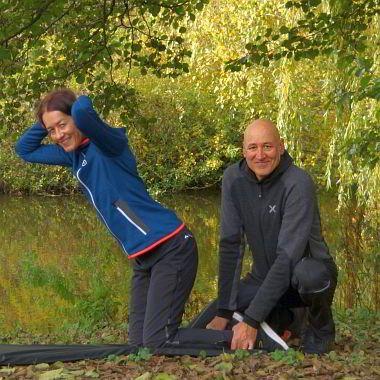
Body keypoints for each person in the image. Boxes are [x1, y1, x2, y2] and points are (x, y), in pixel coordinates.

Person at [15, 89, 199, 349]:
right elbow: (24, 150)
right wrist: (46, 116)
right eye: (51, 131)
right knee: (139, 345)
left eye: (62, 125)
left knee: (159, 340)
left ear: (76, 119)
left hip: (171, 246)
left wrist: (77, 100)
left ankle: (239, 340)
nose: (58, 135)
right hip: (142, 257)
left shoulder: (109, 144)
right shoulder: (73, 156)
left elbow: (82, 111)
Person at [190, 119, 338, 354]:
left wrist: (250, 320)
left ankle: (320, 329)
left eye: (267, 146)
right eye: (253, 147)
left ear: (281, 147)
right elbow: (231, 245)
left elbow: (288, 257)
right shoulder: (233, 179)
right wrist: (224, 312)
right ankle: (286, 318)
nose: (260, 155)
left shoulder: (298, 183)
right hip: (263, 277)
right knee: (200, 330)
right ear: (243, 150)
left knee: (311, 276)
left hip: (302, 275)